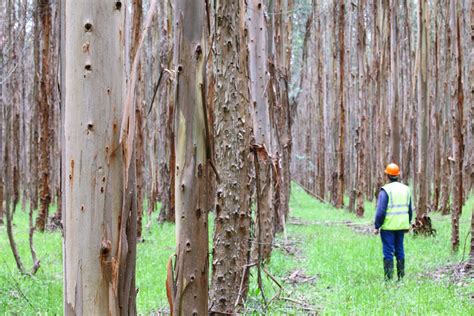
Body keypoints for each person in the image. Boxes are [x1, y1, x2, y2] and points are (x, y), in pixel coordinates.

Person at [373, 163, 413, 281]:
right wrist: (408, 222)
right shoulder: (406, 189)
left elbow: (380, 211)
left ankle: (388, 279)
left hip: (388, 227)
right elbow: (409, 209)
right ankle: (401, 277)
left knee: (388, 252)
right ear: (397, 175)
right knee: (400, 250)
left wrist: (377, 226)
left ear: (387, 175)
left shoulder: (386, 190)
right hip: (401, 226)